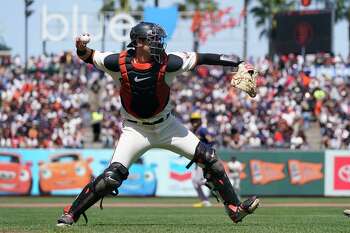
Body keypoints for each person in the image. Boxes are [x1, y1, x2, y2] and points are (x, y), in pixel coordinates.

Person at [57, 22, 259, 226]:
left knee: (209, 159)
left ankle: (235, 209)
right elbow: (88, 57)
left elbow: (204, 58)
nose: (158, 43)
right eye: (153, 39)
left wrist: (239, 62)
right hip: (134, 129)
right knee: (111, 177)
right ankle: (70, 213)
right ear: (138, 42)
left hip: (167, 126)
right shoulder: (117, 62)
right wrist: (80, 47)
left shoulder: (169, 62)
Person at [189, 112, 214, 208]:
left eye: (196, 120)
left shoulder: (202, 130)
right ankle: (205, 201)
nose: (194, 122)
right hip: (197, 159)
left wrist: (206, 151)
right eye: (193, 120)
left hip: (203, 158)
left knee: (198, 181)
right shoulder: (194, 131)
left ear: (200, 120)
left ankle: (213, 183)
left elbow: (211, 141)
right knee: (194, 182)